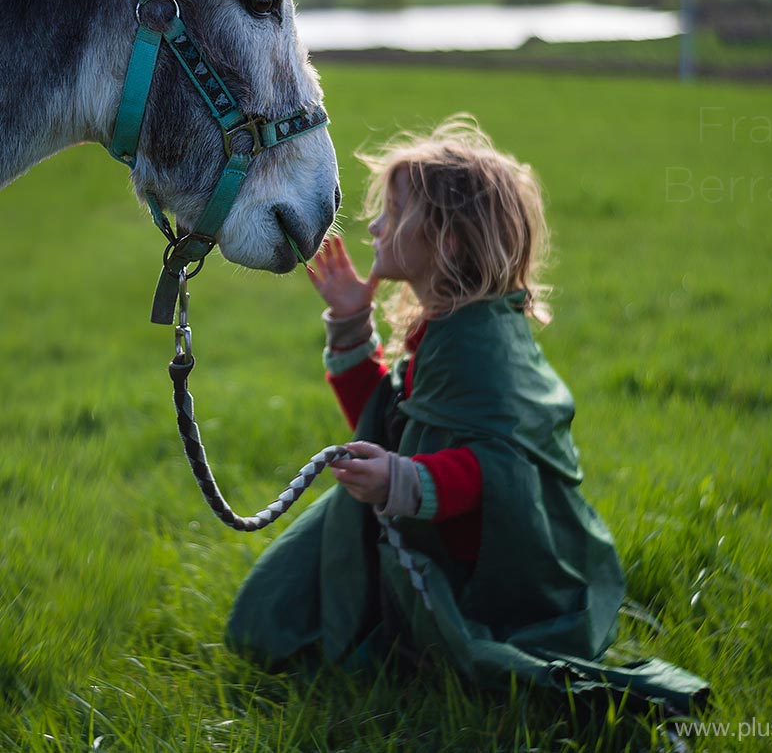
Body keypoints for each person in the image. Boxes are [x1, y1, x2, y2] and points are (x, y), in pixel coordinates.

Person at [225, 116, 708, 712]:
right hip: (438, 534)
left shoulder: (478, 343)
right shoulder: (447, 328)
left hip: (489, 570)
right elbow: (389, 418)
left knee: (293, 623)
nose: (373, 225)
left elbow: (495, 469)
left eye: (393, 213)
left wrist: (400, 481)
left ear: (446, 242)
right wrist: (353, 320)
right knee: (275, 604)